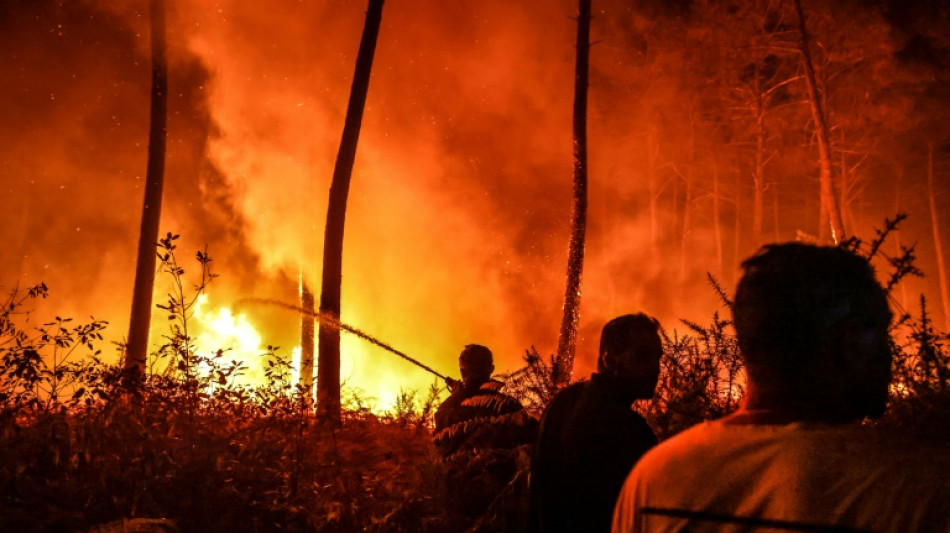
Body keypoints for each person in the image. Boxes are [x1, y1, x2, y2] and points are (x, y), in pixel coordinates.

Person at [613, 243, 950, 533]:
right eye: (880, 332)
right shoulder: (920, 488)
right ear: (850, 342)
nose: (887, 351)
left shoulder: (656, 477)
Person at [530, 314, 662, 533]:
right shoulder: (628, 431)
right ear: (610, 360)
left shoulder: (564, 403)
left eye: (658, 357)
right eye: (642, 356)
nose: (656, 368)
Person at [433, 344, 537, 525]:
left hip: (459, 501)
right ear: (491, 370)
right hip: (502, 503)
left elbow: (439, 443)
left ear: (462, 371)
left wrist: (457, 395)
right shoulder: (508, 406)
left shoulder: (450, 409)